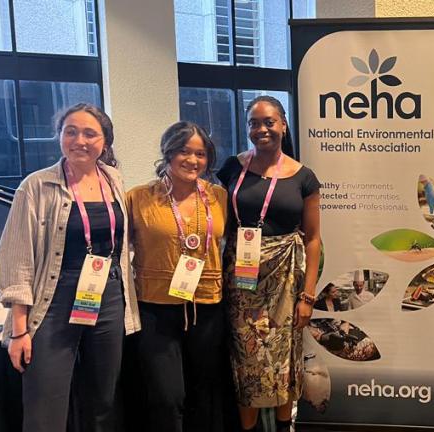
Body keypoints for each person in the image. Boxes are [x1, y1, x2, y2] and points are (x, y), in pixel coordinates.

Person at [0, 103, 141, 432]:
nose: (80, 141)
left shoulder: (113, 179)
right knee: (45, 402)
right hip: (54, 300)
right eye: (70, 132)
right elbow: (16, 261)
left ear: (105, 141)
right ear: (59, 135)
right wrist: (19, 330)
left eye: (90, 133)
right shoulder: (37, 186)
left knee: (102, 400)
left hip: (108, 295)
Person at [217, 95, 321, 432]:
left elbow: (313, 239)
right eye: (254, 123)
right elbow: (218, 221)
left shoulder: (304, 177)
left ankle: (282, 426)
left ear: (283, 125)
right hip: (241, 280)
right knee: (246, 358)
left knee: (283, 358)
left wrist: (308, 297)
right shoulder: (232, 168)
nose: (261, 129)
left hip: (286, 281)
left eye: (269, 122)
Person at [124, 122, 228, 431]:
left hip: (207, 308)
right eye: (184, 151)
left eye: (200, 154)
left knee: (203, 392)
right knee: (167, 397)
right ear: (168, 152)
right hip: (156, 309)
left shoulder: (219, 197)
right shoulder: (138, 198)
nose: (193, 160)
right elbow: (117, 249)